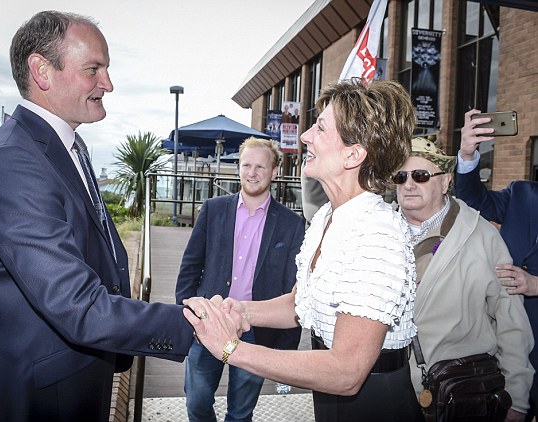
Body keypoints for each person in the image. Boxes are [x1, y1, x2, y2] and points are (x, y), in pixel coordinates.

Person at [0, 11, 196, 422]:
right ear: (42, 71)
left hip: (79, 378)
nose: (108, 83)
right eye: (94, 69)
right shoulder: (12, 162)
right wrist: (190, 323)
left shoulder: (70, 147)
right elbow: (78, 306)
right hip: (37, 399)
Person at [184, 78, 424, 422]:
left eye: (320, 128)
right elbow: (301, 304)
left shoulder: (376, 234)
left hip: (373, 402)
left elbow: (346, 371)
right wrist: (241, 311)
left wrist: (231, 349)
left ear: (353, 154)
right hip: (331, 396)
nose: (305, 136)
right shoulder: (328, 215)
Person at [396, 137, 534, 421]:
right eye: (401, 176)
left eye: (420, 176)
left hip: (460, 395)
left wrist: (517, 399)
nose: (409, 184)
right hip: (384, 392)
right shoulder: (376, 233)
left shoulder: (483, 237)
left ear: (445, 182)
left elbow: (511, 323)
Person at [175, 136, 304, 422]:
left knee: (241, 412)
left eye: (261, 166)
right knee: (196, 403)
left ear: (274, 172)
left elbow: (292, 289)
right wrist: (187, 315)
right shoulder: (213, 210)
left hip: (257, 330)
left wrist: (284, 349)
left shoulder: (292, 224)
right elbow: (190, 267)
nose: (252, 172)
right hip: (210, 320)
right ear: (238, 168)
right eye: (246, 165)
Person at [456, 109, 538, 419]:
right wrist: (467, 152)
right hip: (511, 348)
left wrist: (535, 284)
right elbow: (473, 200)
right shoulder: (522, 194)